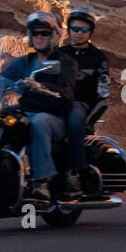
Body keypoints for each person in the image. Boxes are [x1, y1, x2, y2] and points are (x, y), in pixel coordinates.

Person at [6, 12, 77, 205]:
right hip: (26, 110)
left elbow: (66, 94)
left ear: (54, 35)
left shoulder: (65, 62)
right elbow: (2, 78)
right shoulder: (25, 62)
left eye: (44, 33)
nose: (39, 36)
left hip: (55, 117)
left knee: (38, 123)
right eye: (35, 33)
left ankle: (41, 183)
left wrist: (43, 88)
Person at [59, 6, 111, 198]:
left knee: (74, 120)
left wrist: (88, 121)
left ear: (90, 32)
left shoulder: (98, 58)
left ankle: (75, 173)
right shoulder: (59, 53)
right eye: (75, 29)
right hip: (56, 103)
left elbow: (104, 95)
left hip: (81, 105)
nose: (78, 34)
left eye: (83, 30)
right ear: (69, 30)